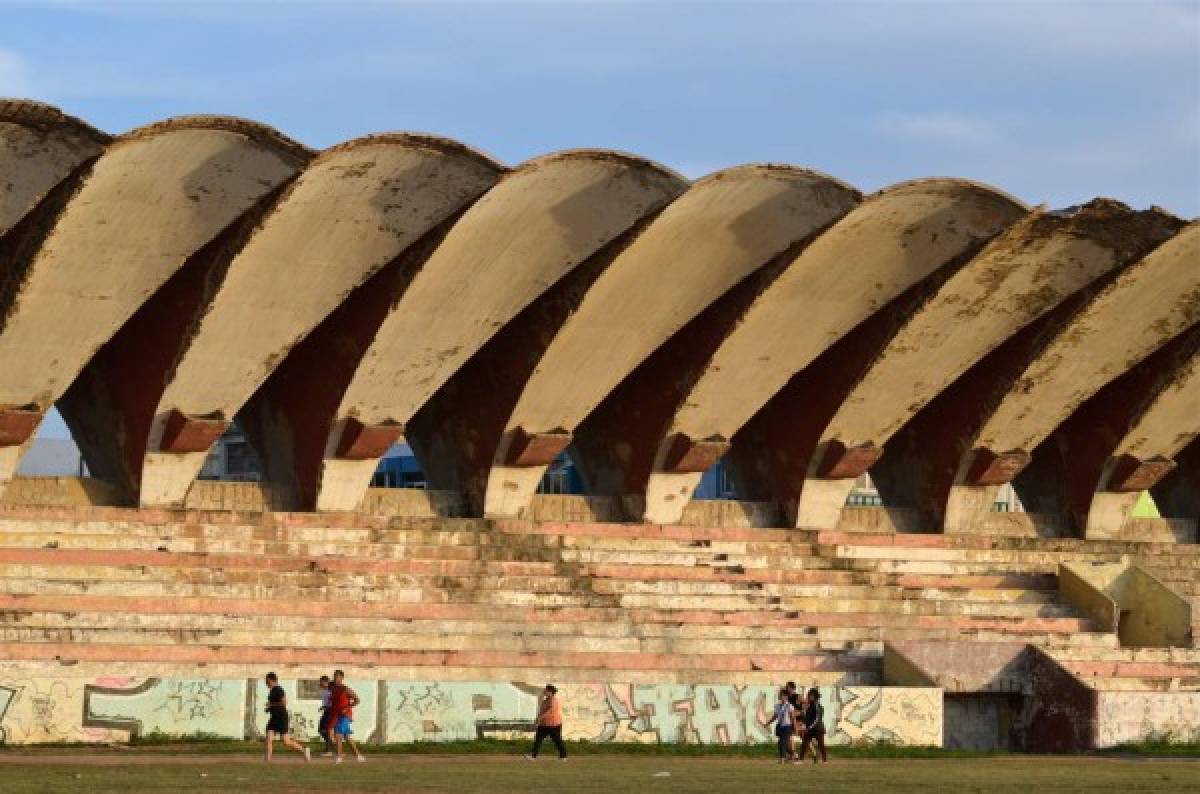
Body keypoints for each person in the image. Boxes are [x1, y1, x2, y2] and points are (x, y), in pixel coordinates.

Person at [263, 672, 311, 763]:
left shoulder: (279, 689)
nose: (266, 683)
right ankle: (267, 760)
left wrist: (271, 704)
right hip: (274, 718)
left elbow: (284, 703)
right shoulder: (272, 690)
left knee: (286, 741)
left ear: (272, 680)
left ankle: (304, 750)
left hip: (281, 717)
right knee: (268, 738)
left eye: (267, 681)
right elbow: (274, 704)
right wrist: (269, 708)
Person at [329, 670, 365, 764]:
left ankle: (339, 757)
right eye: (334, 676)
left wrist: (347, 707)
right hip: (336, 715)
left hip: (345, 715)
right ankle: (358, 756)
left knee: (338, 735)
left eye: (337, 677)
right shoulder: (333, 689)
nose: (335, 678)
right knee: (347, 737)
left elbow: (357, 699)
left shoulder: (346, 689)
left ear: (342, 678)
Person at [525, 684, 567, 761]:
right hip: (544, 724)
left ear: (550, 692)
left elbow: (550, 711)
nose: (544, 691)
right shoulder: (545, 700)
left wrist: (540, 718)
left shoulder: (553, 700)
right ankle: (533, 756)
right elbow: (542, 711)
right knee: (538, 739)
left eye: (546, 690)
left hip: (553, 724)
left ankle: (563, 756)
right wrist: (537, 719)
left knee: (557, 740)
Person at [765, 688, 797, 763]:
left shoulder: (790, 706)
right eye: (779, 694)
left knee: (782, 742)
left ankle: (782, 759)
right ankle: (794, 754)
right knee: (781, 743)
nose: (779, 696)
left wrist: (795, 727)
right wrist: (767, 723)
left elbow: (792, 717)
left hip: (787, 727)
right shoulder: (777, 706)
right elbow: (775, 716)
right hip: (780, 726)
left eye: (781, 694)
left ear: (786, 696)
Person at [798, 687, 828, 764]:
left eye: (810, 695)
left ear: (814, 696)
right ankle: (800, 760)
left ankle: (825, 760)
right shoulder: (809, 706)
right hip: (810, 729)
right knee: (805, 743)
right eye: (808, 695)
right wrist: (803, 724)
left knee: (821, 744)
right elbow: (807, 718)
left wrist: (809, 727)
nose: (808, 696)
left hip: (818, 729)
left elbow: (817, 719)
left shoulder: (817, 706)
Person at [316, 675, 335, 756]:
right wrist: (323, 707)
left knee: (326, 730)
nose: (320, 684)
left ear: (325, 682)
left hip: (330, 712)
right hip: (326, 711)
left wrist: (326, 707)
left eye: (321, 682)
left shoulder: (331, 690)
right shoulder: (325, 691)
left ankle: (329, 750)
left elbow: (332, 702)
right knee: (321, 729)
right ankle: (330, 744)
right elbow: (327, 702)